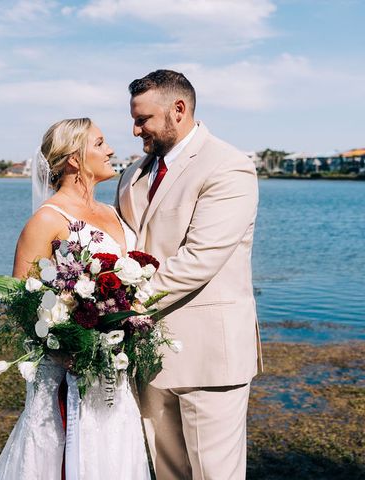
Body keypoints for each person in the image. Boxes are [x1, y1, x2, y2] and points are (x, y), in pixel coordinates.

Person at [116, 69, 262, 480]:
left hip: (209, 358)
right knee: (168, 474)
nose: (134, 129)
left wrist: (118, 306)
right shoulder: (132, 176)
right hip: (147, 356)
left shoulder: (228, 167)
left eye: (142, 119)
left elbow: (200, 258)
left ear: (177, 110)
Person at [0, 118, 151, 479]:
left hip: (114, 370)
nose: (110, 150)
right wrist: (66, 346)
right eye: (100, 143)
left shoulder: (112, 212)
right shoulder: (47, 220)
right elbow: (21, 300)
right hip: (70, 374)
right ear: (75, 159)